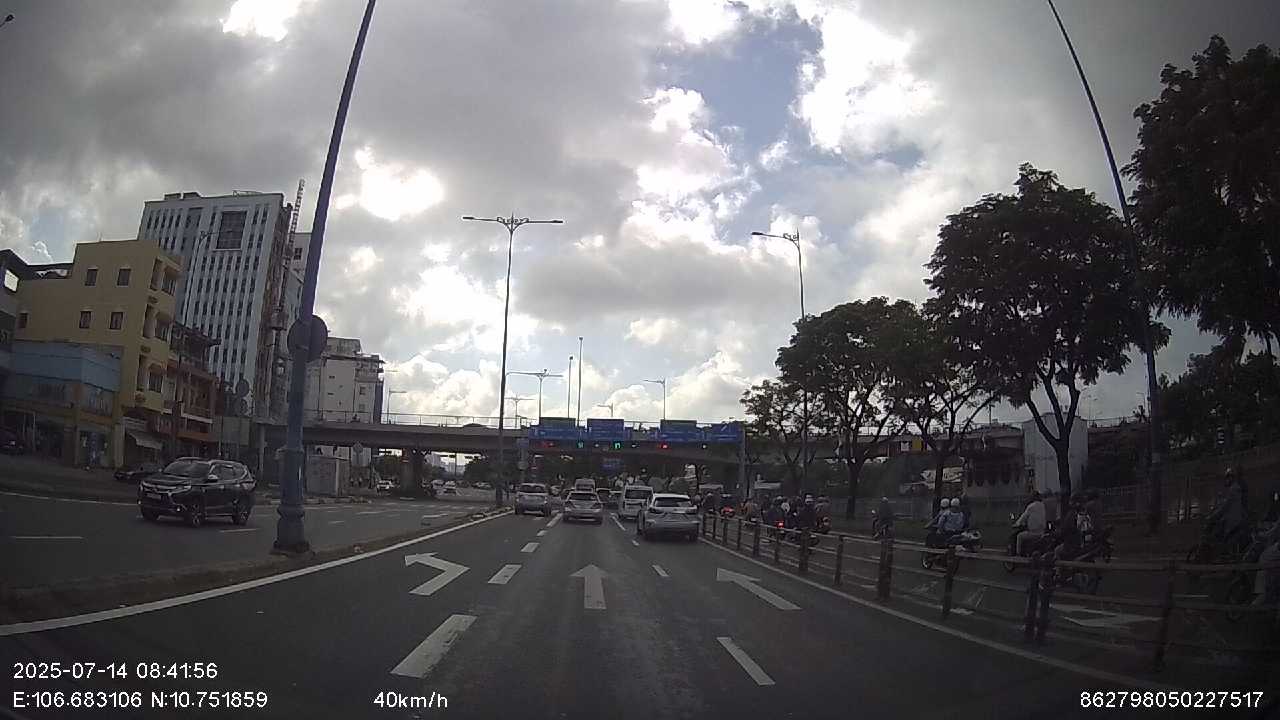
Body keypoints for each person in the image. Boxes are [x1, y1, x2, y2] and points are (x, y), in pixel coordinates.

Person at [1013, 491, 1047, 557]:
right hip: (1042, 532)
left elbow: (1024, 517)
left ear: (1032, 497)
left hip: (1033, 532)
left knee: (1019, 536)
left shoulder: (1031, 506)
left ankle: (1018, 554)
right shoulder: (1042, 505)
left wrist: (1017, 524)